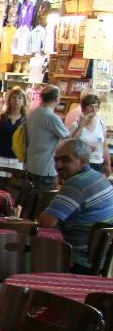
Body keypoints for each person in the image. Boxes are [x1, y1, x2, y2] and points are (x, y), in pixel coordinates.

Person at [38, 138, 113, 273]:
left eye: (66, 160)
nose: (58, 165)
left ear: (83, 161)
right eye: (56, 160)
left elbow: (46, 221)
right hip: (98, 258)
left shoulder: (76, 184)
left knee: (20, 252)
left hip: (76, 260)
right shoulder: (99, 177)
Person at [25, 85, 70, 191]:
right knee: (45, 199)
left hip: (31, 165)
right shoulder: (51, 117)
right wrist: (81, 125)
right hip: (46, 169)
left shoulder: (32, 112)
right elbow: (68, 139)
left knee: (31, 199)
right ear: (57, 99)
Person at [0, 86, 27, 167]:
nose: (16, 100)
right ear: (9, 100)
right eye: (14, 97)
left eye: (19, 98)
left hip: (17, 160)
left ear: (23, 101)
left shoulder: (26, 120)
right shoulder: (0, 118)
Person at [70, 93, 109, 175]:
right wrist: (81, 125)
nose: (94, 110)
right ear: (84, 108)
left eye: (96, 107)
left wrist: (107, 164)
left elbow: (104, 146)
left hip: (98, 163)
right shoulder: (75, 125)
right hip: (81, 163)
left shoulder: (101, 124)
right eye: (91, 106)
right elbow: (71, 144)